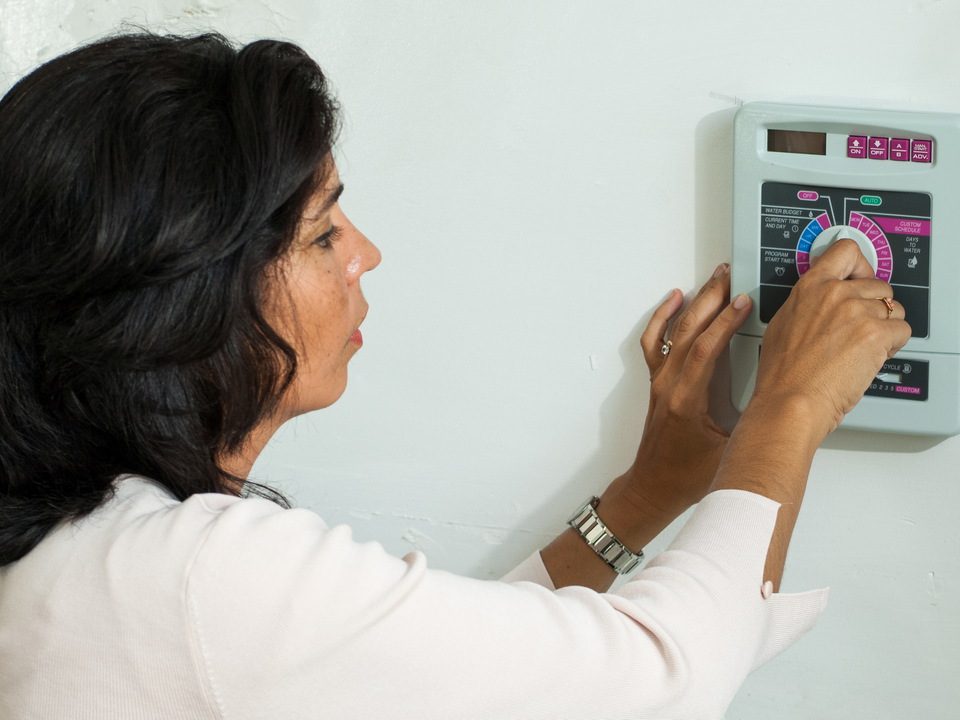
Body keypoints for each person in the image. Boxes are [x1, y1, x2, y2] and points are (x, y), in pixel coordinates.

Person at [0, 33, 910, 720]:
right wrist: (789, 405)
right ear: (186, 295)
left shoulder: (99, 554)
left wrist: (643, 497)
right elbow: (658, 679)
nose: (366, 255)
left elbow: (447, 679)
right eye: (324, 234)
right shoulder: (193, 577)